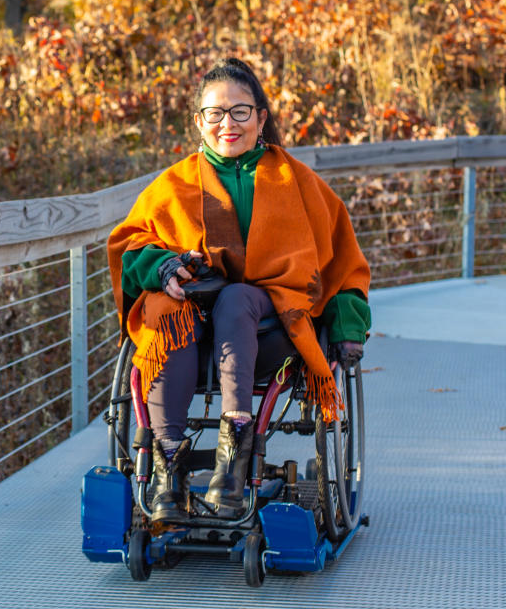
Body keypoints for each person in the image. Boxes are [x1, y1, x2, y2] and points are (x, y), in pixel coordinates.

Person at [107, 58, 372, 524]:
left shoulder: (299, 183)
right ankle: (167, 465)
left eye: (240, 112)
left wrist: (349, 326)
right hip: (190, 331)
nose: (227, 124)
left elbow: (343, 261)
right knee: (168, 305)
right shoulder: (172, 185)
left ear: (261, 117)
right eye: (215, 113)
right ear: (199, 122)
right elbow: (131, 246)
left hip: (271, 333)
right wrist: (162, 266)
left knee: (237, 297)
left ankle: (234, 455)